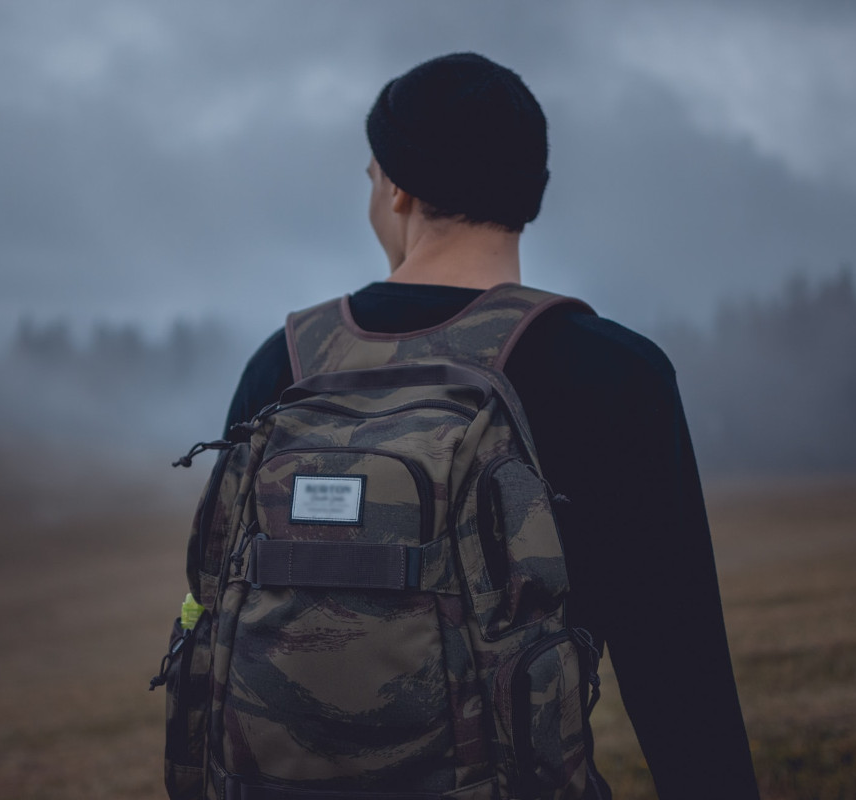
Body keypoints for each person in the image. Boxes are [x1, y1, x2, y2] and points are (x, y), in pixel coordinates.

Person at [223, 52, 760, 799]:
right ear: (528, 193)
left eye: (372, 178)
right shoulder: (614, 375)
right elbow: (677, 669)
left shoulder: (283, 366)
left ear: (397, 185)